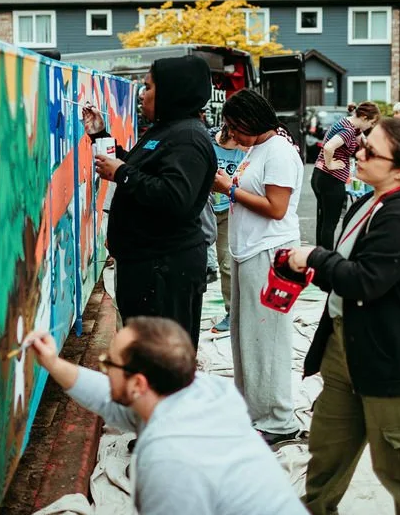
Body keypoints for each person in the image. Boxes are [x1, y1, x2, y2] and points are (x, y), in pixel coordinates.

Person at [286, 117, 400, 515]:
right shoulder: (368, 201)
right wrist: (309, 270)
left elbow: (365, 280)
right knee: (327, 454)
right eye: (361, 143)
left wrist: (313, 258)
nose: (357, 153)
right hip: (345, 350)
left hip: (390, 359)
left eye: (370, 151)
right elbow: (343, 272)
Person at [25, 316, 318, 515]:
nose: (103, 368)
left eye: (107, 363)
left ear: (139, 383)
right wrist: (52, 362)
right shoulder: (206, 391)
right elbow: (108, 397)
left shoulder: (168, 456)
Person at [82, 56, 216, 348]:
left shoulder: (188, 138)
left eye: (148, 87)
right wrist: (100, 136)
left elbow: (175, 197)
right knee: (143, 355)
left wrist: (122, 173)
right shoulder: (167, 129)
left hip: (164, 273)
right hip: (147, 267)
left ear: (172, 91)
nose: (141, 94)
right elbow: (142, 167)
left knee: (160, 361)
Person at [210, 89, 304, 446]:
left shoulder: (279, 151)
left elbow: (276, 207)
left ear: (252, 122)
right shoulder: (257, 148)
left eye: (235, 128)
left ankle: (277, 420)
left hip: (270, 252)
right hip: (250, 250)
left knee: (267, 339)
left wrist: (228, 189)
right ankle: (253, 411)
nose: (231, 135)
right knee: (246, 336)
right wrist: (231, 185)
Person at [311, 101, 380, 250]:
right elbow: (329, 147)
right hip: (330, 179)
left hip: (320, 176)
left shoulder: (349, 123)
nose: (372, 126)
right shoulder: (348, 130)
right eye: (372, 123)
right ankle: (326, 259)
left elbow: (361, 139)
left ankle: (319, 256)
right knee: (330, 224)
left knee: (323, 220)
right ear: (364, 117)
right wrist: (331, 164)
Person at [206, 124, 247, 333]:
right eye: (237, 141)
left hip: (228, 211)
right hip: (204, 210)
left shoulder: (243, 151)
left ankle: (232, 313)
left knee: (227, 264)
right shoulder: (206, 143)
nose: (240, 145)